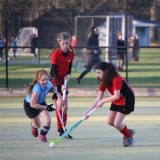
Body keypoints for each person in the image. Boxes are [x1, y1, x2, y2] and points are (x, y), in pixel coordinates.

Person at [84, 61, 135, 147]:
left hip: (127, 100)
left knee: (117, 123)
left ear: (106, 72)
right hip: (117, 100)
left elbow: (116, 96)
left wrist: (103, 101)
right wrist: (88, 112)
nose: (98, 75)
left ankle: (129, 137)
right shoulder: (103, 80)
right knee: (110, 121)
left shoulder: (116, 78)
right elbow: (98, 98)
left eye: (99, 73)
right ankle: (127, 131)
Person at [50, 32, 75, 139]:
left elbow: (69, 68)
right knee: (60, 105)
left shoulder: (71, 55)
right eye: (63, 43)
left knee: (65, 107)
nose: (65, 45)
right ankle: (59, 130)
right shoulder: (55, 54)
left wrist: (69, 75)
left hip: (64, 82)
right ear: (59, 43)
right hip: (56, 82)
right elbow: (53, 72)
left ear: (70, 43)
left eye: (67, 43)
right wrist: (61, 84)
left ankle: (63, 129)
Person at [23, 69, 57, 142]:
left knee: (48, 120)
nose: (45, 82)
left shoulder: (49, 83)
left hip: (41, 102)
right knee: (37, 125)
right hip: (30, 106)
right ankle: (33, 126)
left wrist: (55, 93)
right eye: (42, 80)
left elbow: (53, 88)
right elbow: (33, 104)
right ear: (38, 80)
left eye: (46, 79)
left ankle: (42, 135)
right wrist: (46, 107)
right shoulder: (37, 89)